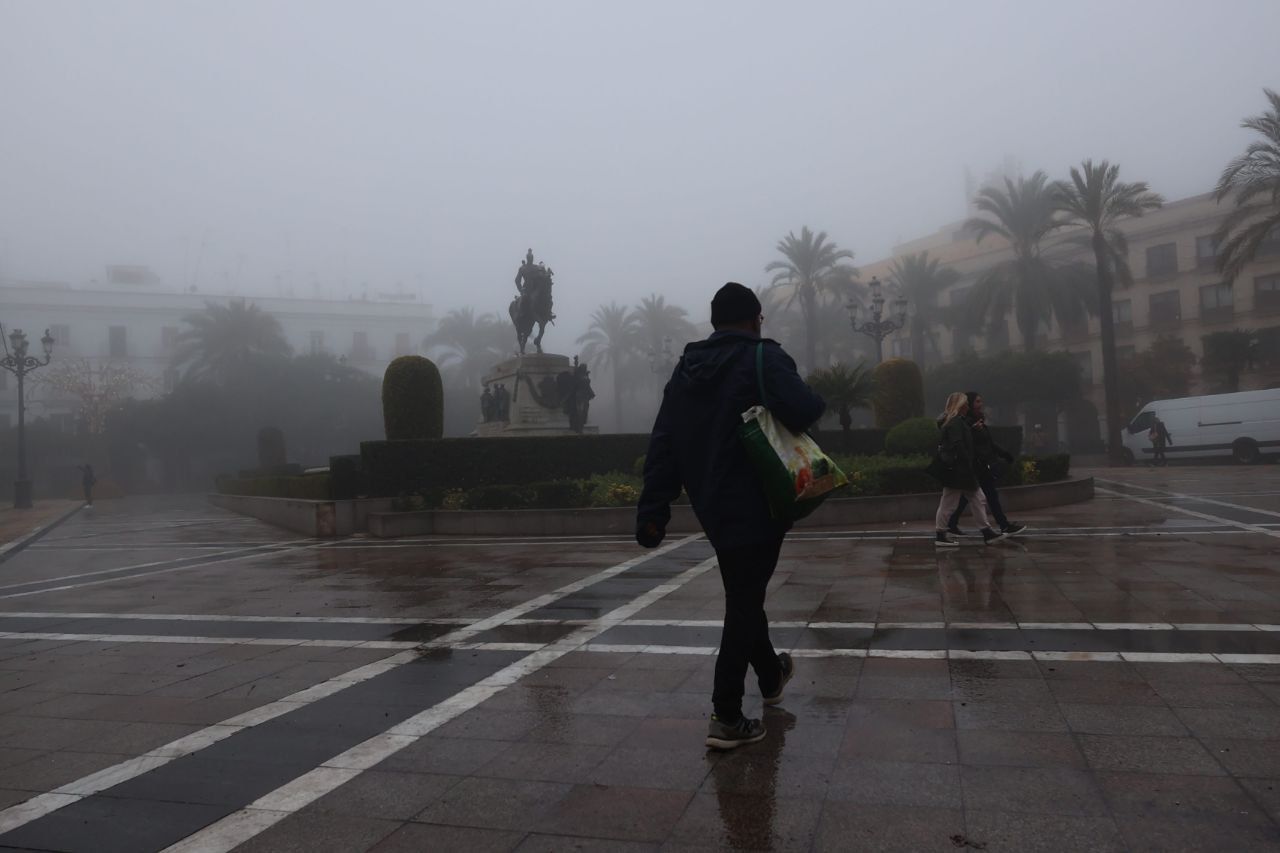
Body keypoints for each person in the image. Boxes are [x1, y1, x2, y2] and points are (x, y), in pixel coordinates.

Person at [637, 281, 825, 750]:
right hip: (761, 500)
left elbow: (664, 440)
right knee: (743, 600)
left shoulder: (684, 370)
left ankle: (771, 673)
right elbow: (805, 410)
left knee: (744, 592)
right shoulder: (763, 357)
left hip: (714, 505)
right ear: (755, 317)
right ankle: (725, 714)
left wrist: (653, 510)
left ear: (715, 321)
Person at [947, 392, 1027, 537]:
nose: (981, 404)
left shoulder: (978, 420)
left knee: (971, 496)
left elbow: (989, 442)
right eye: (977, 402)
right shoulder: (966, 422)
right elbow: (964, 442)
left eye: (981, 401)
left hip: (982, 464)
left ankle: (951, 524)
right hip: (977, 465)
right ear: (969, 404)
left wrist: (1004, 454)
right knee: (988, 495)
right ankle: (1002, 526)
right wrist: (972, 430)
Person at [933, 392, 1008, 547]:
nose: (968, 405)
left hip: (961, 470)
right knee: (949, 503)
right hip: (958, 470)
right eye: (966, 403)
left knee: (977, 498)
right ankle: (941, 534)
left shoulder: (958, 422)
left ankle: (986, 532)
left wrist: (973, 430)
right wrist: (967, 461)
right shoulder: (955, 423)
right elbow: (958, 444)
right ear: (960, 405)